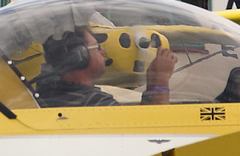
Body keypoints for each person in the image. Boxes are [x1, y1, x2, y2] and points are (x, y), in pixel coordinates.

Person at [32, 26, 176, 108]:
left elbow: (138, 119)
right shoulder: (92, 103)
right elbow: (148, 132)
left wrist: (152, 83)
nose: (104, 51)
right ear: (78, 56)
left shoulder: (51, 93)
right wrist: (161, 80)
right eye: (97, 47)